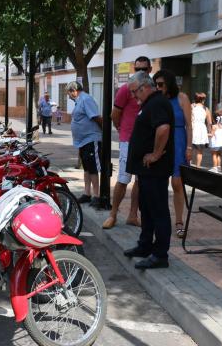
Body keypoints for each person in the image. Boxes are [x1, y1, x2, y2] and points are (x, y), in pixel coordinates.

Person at [123, 74, 174, 269]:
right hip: (146, 171)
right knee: (147, 209)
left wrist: (155, 154)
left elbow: (163, 129)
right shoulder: (149, 104)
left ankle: (160, 254)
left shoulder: (157, 103)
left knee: (158, 210)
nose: (134, 96)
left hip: (155, 170)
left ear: (145, 87)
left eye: (135, 92)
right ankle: (145, 245)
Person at [102, 57, 151, 229]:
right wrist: (121, 129)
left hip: (146, 142)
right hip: (128, 141)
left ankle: (132, 215)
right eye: (138, 68)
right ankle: (113, 214)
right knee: (123, 179)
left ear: (149, 69)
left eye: (144, 68)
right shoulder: (125, 89)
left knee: (139, 181)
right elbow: (114, 114)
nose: (141, 71)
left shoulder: (150, 90)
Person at [154, 70, 192, 239]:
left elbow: (189, 125)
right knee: (159, 184)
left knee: (177, 183)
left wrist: (189, 147)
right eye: (156, 84)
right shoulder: (157, 99)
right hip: (162, 142)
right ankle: (161, 220)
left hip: (178, 141)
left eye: (161, 84)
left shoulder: (182, 98)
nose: (158, 87)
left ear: (169, 83)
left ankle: (179, 221)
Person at [67, 81, 103, 208]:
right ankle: (87, 193)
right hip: (83, 141)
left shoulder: (86, 99)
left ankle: (97, 195)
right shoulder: (79, 100)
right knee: (87, 167)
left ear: (74, 91)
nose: (69, 96)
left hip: (91, 139)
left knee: (93, 167)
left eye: (69, 93)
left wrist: (104, 132)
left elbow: (96, 117)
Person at [191, 92, 212, 167]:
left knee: (192, 148)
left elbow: (189, 119)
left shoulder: (192, 106)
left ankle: (190, 164)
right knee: (200, 150)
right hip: (202, 129)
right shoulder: (206, 109)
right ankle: (198, 166)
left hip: (193, 128)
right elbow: (209, 122)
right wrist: (210, 132)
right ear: (203, 100)